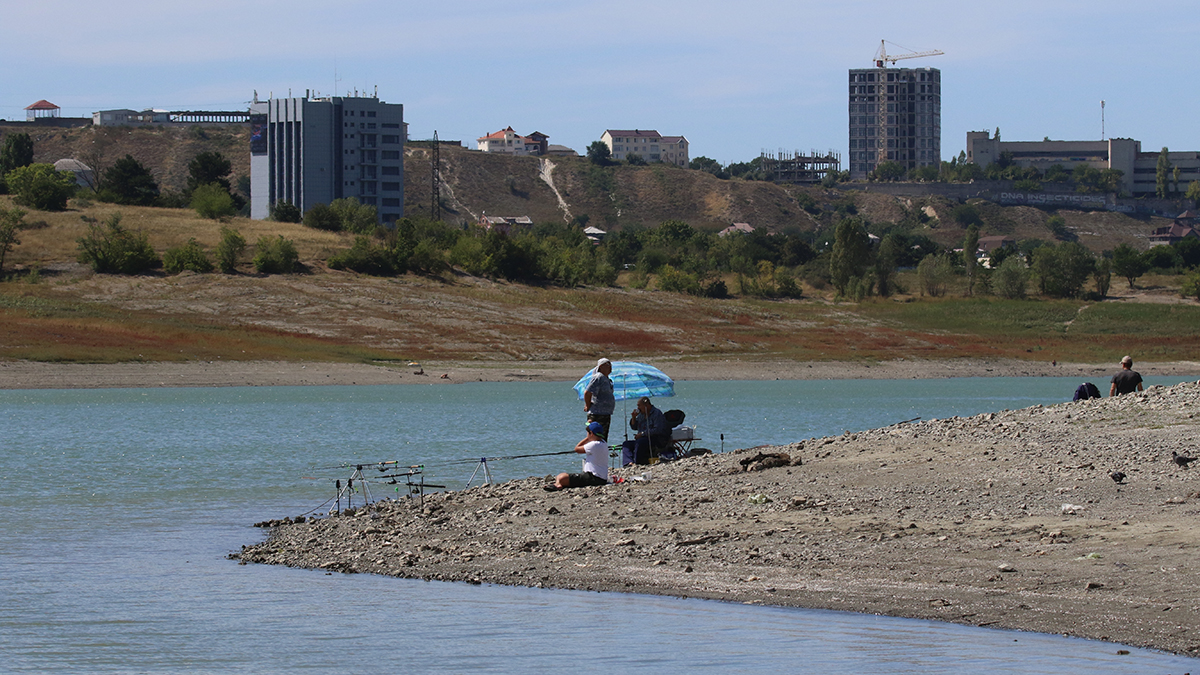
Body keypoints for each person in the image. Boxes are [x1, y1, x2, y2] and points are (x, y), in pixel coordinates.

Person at [548, 421, 609, 490]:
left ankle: (558, 485)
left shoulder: (594, 445)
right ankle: (557, 484)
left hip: (594, 477)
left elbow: (577, 449)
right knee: (560, 476)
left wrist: (587, 438)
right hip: (600, 477)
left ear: (591, 433)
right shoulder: (603, 442)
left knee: (561, 477)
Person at [621, 397, 671, 466]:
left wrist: (642, 434)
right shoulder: (641, 415)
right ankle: (628, 463)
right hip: (642, 438)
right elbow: (634, 427)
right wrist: (633, 417)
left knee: (640, 442)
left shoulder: (656, 413)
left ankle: (637, 463)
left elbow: (658, 429)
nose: (638, 408)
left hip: (655, 439)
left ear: (646, 406)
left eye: (639, 406)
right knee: (626, 444)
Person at [583, 358, 615, 440]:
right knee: (595, 437)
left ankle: (601, 451)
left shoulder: (607, 379)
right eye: (607, 365)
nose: (610, 367)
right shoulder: (598, 377)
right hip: (597, 413)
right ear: (601, 366)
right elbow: (587, 392)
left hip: (606, 413)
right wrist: (587, 405)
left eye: (610, 364)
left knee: (603, 438)